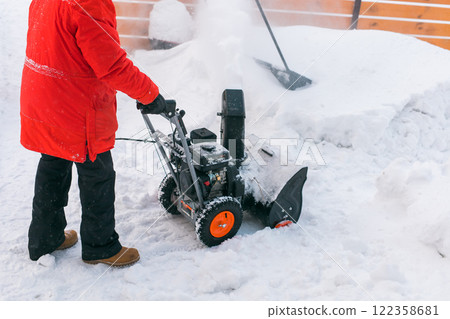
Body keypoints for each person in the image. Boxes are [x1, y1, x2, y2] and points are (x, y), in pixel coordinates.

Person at [20, 0, 165, 266]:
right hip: (75, 105)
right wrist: (149, 94)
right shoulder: (88, 3)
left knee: (53, 164)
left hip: (45, 96)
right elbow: (110, 64)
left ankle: (45, 238)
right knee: (97, 173)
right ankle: (101, 246)